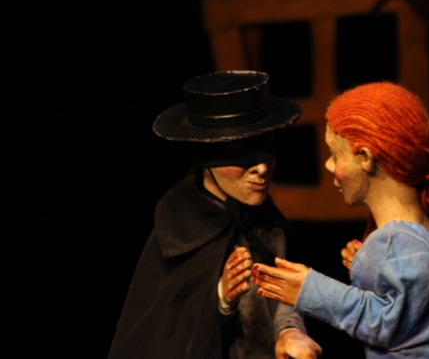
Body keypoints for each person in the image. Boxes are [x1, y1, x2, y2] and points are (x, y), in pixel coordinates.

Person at [253, 82, 429, 358]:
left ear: (365, 158)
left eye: (335, 154)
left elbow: (386, 323)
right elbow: (427, 314)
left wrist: (311, 290)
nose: (329, 165)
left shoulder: (400, 243)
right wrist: (374, 268)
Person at [108, 71, 322, 359]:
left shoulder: (267, 220)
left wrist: (290, 330)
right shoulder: (180, 229)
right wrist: (221, 299)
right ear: (206, 157)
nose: (261, 169)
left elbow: (281, 295)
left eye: (267, 147)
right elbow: (162, 333)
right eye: (240, 154)